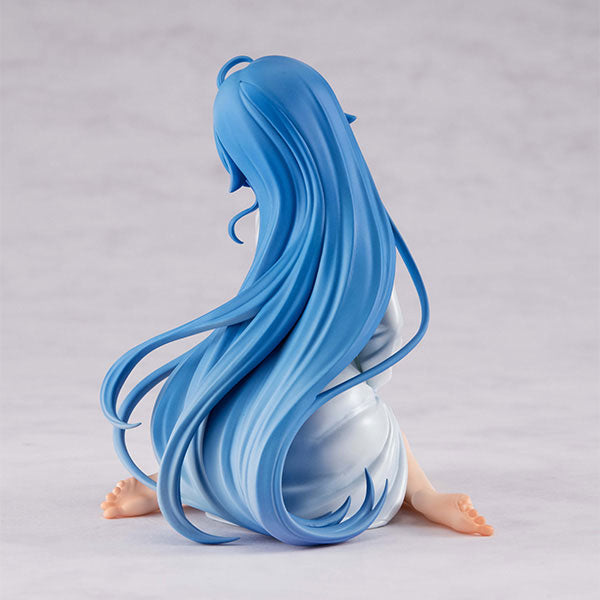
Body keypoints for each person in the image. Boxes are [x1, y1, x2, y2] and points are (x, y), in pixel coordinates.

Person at [100, 55, 493, 544]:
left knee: (229, 385)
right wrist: (348, 379)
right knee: (359, 397)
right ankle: (424, 494)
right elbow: (381, 337)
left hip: (242, 468)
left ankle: (179, 482)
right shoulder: (360, 233)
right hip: (334, 487)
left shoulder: (276, 223)